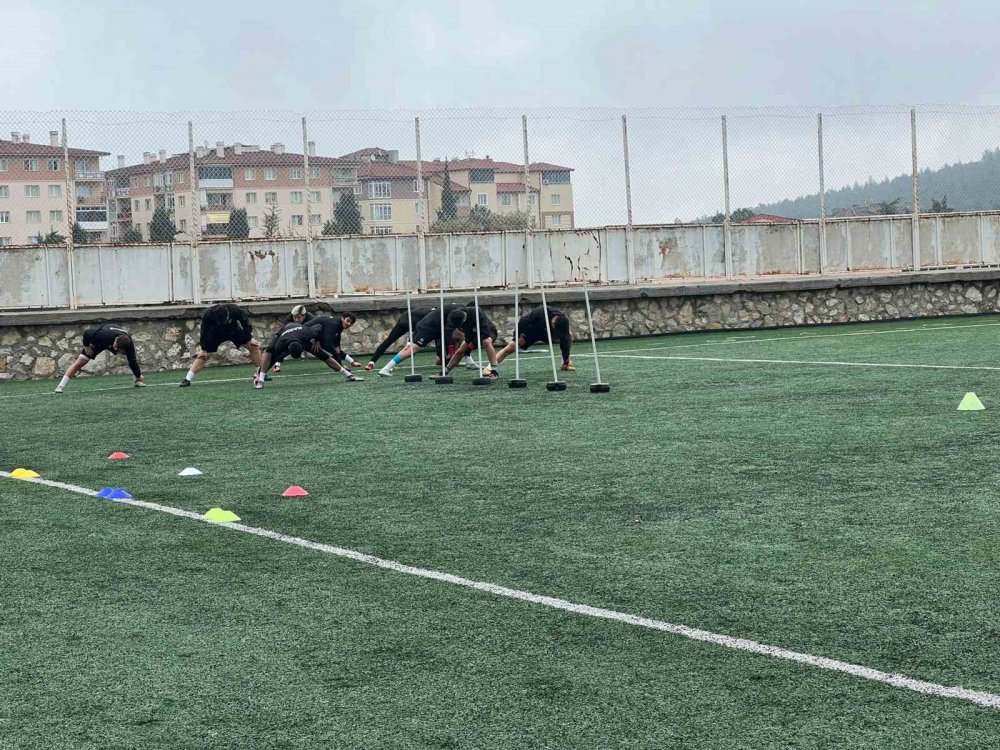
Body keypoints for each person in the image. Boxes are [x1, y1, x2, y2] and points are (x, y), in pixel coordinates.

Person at [364, 307, 478, 372]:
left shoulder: (441, 313)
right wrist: (444, 357)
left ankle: (372, 361)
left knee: (390, 340)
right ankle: (386, 367)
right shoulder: (439, 318)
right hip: (414, 323)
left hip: (407, 318)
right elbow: (440, 339)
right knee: (411, 347)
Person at [253, 322, 363, 389]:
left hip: (301, 332)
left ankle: (349, 375)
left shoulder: (308, 336)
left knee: (324, 355)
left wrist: (316, 340)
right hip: (285, 330)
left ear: (303, 348)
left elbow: (319, 326)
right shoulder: (280, 344)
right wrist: (260, 376)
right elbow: (271, 360)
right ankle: (261, 380)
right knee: (269, 351)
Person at [179, 303, 260, 387]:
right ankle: (187, 379)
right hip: (215, 333)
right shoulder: (208, 314)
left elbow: (246, 324)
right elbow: (204, 332)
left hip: (233, 330)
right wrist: (204, 349)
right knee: (204, 355)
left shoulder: (236, 310)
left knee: (254, 346)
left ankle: (260, 373)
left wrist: (249, 338)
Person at [55, 324, 146, 393]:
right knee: (80, 362)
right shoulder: (103, 335)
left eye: (118, 350)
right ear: (116, 340)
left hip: (117, 339)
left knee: (132, 360)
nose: (115, 350)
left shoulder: (128, 344)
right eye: (115, 347)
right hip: (99, 342)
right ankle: (61, 386)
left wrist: (138, 376)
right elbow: (87, 332)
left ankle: (137, 380)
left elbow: (133, 361)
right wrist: (86, 345)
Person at [495, 306, 575, 371]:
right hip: (532, 332)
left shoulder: (563, 321)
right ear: (553, 322)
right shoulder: (540, 312)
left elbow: (565, 341)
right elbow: (522, 322)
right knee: (511, 347)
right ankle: (491, 366)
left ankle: (565, 363)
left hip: (547, 335)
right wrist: (517, 337)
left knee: (569, 335)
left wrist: (566, 358)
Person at [446, 305, 502, 378]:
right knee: (461, 350)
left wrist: (470, 346)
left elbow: (485, 333)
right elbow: (465, 335)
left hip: (488, 332)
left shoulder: (476, 312)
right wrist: (467, 347)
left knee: (486, 342)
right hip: (472, 335)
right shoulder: (455, 315)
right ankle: (445, 371)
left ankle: (494, 371)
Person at [270, 304, 315, 373]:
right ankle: (277, 364)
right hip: (293, 337)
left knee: (323, 347)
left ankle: (336, 361)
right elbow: (283, 330)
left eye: (298, 317)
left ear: (304, 316)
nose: (296, 320)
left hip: (306, 336)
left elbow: (318, 329)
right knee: (285, 349)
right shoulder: (289, 319)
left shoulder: (312, 319)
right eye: (295, 317)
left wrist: (316, 339)